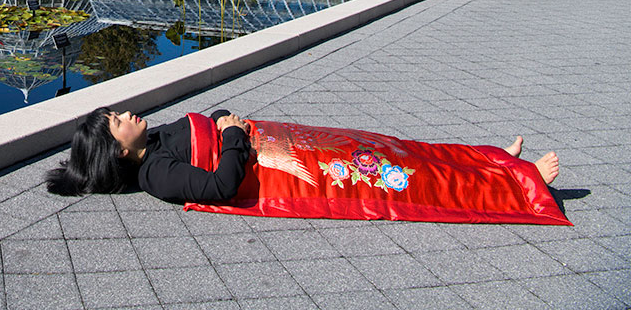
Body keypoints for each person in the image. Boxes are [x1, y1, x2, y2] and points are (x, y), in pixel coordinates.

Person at [46, 107, 560, 207]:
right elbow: (222, 187)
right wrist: (231, 136)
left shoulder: (153, 140)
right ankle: (517, 182)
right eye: (120, 120)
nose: (131, 114)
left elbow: (208, 124)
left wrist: (224, 120)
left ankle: (490, 157)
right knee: (400, 175)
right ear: (119, 148)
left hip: (288, 139)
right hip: (287, 172)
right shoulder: (158, 176)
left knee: (388, 147)